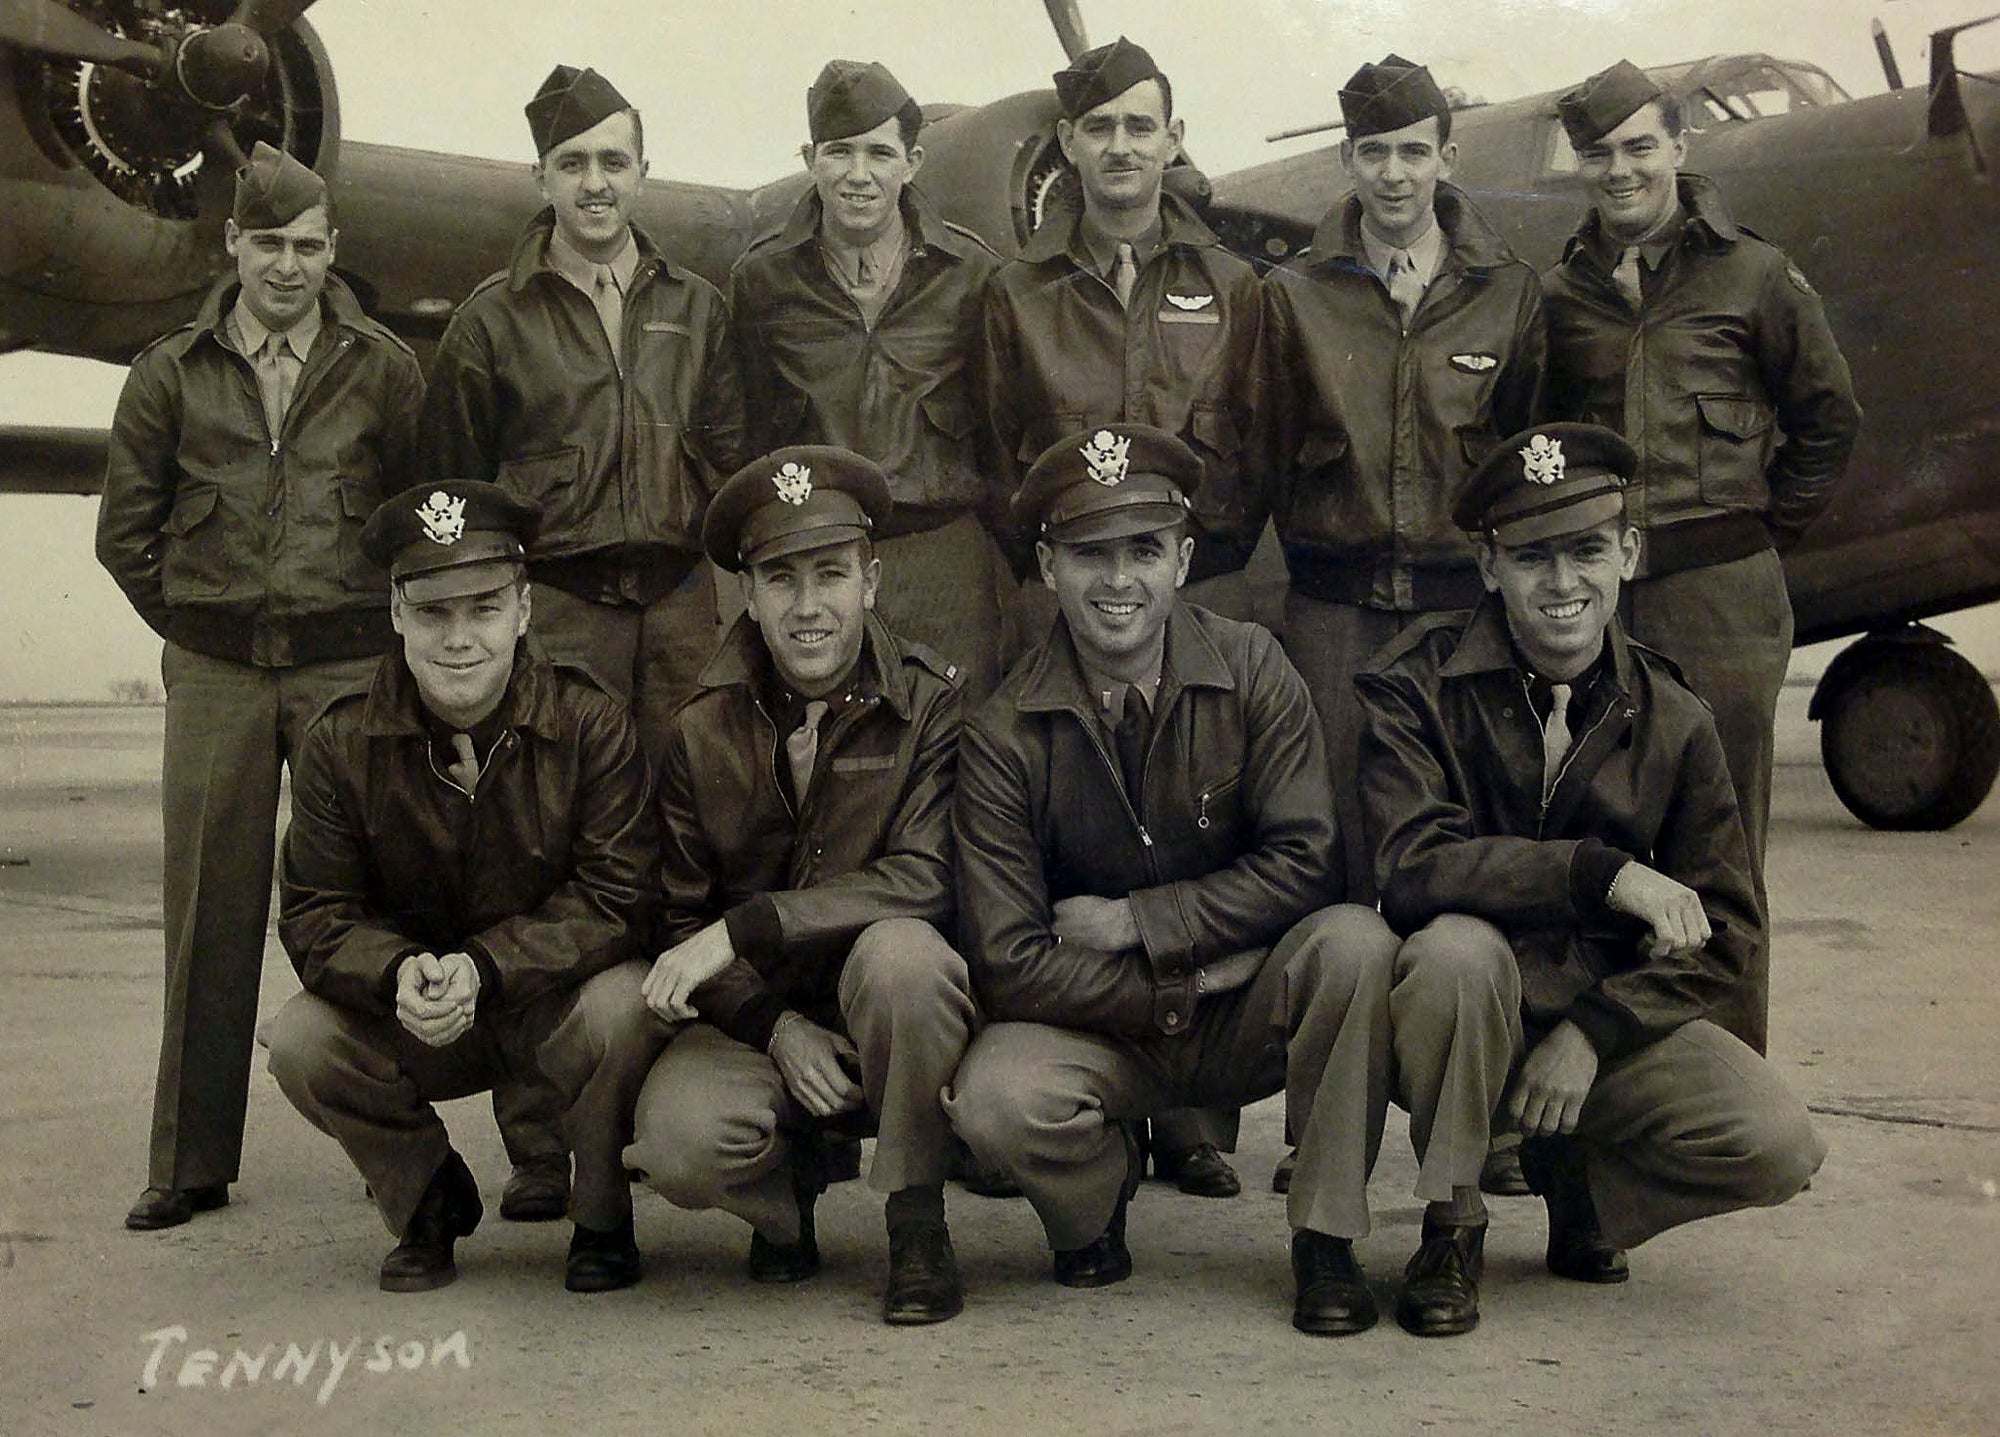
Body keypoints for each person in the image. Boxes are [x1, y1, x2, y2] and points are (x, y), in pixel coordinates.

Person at [1329, 421, 1824, 1336]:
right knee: (1452, 953)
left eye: (1587, 551)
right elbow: (1409, 866)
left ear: (1628, 553)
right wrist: (1603, 875)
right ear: (1488, 567)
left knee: (1778, 1141)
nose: (1562, 585)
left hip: (1596, 1030)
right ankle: (1452, 1224)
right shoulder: (1415, 687)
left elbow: (1730, 927)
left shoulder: (1675, 715)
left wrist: (1597, 1031)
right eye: (1531, 558)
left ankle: (1582, 1186)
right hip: (1450, 1022)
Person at [944, 422, 1405, 1335]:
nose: (1119, 581)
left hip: (1238, 1011)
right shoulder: (1001, 730)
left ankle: (1325, 1234)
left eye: (1144, 551)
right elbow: (1008, 958)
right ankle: (1093, 1197)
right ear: (1046, 565)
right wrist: (1189, 977)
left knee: (1356, 945)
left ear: (1185, 558)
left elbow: (1311, 861)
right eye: (1089, 554)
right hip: (1105, 1027)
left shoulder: (1253, 666)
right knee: (996, 1096)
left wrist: (1138, 921)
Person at [96, 142, 425, 1232]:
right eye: (268, 244)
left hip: (345, 673)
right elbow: (125, 537)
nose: (288, 266)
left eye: (309, 246)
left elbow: (417, 527)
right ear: (232, 245)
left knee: (375, 906)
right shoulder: (169, 372)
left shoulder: (381, 369)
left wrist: (371, 642)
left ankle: (401, 1154)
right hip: (218, 675)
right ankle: (188, 1162)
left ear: (334, 252)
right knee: (209, 913)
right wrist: (202, 626)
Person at [979, 35, 1264, 1194]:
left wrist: (1188, 582)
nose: (1120, 148)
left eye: (1140, 126)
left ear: (1172, 138)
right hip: (1068, 597)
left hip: (1189, 593)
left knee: (1202, 822)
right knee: (1065, 832)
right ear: (1067, 146)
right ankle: (1066, 1082)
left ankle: (1196, 1110)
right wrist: (1061, 582)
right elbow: (999, 452)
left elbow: (1253, 443)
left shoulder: (1231, 285)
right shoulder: (1016, 292)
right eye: (1098, 130)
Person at [604, 446, 973, 1324]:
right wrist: (777, 1030)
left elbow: (927, 877)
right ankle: (783, 1203)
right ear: (747, 595)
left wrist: (750, 926)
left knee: (904, 958)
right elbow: (681, 916)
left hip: (887, 1007)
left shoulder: (930, 703)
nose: (808, 607)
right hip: (761, 1021)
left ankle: (917, 1220)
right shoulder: (701, 726)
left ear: (871, 580)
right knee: (681, 1143)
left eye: (831, 574)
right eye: (780, 578)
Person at [262, 481, 661, 1293]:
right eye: (434, 613)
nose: (459, 640)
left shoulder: (591, 724)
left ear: (522, 610)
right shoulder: (339, 742)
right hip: (425, 1014)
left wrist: (485, 966)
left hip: (551, 1009)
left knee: (627, 1003)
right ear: (397, 614)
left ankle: (601, 1211)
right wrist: (393, 970)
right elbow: (315, 910)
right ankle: (427, 1198)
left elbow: (620, 894)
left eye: (483, 610)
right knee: (301, 1039)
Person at [1540, 59, 1861, 1053]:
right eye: (1600, 155)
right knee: (1598, 841)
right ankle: (1604, 1065)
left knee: (1720, 846)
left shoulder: (1754, 275)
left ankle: (1723, 1076)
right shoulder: (1560, 292)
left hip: (1720, 603)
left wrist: (1759, 534)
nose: (1620, 170)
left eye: (1640, 147)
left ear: (1679, 148)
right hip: (1602, 613)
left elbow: (1825, 416)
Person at [1261, 53, 1544, 907]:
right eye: (1374, 151)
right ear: (1346, 160)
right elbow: (1264, 456)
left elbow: (1527, 466)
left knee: (1464, 840)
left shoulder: (1511, 294)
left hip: (1463, 618)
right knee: (1333, 846)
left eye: (1414, 152)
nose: (1394, 174)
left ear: (1447, 160)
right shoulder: (1292, 294)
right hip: (1334, 619)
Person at [419, 64, 744, 750]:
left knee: (685, 809)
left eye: (613, 161)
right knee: (558, 807)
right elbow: (452, 488)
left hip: (680, 613)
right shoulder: (490, 321)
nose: (595, 182)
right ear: (541, 176)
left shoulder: (697, 308)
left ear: (642, 173)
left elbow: (729, 464)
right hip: (558, 612)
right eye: (573, 163)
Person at [728, 59, 1008, 701]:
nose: (859, 175)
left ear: (911, 163)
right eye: (839, 152)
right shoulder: (762, 280)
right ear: (810, 160)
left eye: (879, 153)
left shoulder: (971, 274)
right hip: (818, 561)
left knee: (957, 740)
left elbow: (1001, 431)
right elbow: (741, 434)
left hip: (943, 560)